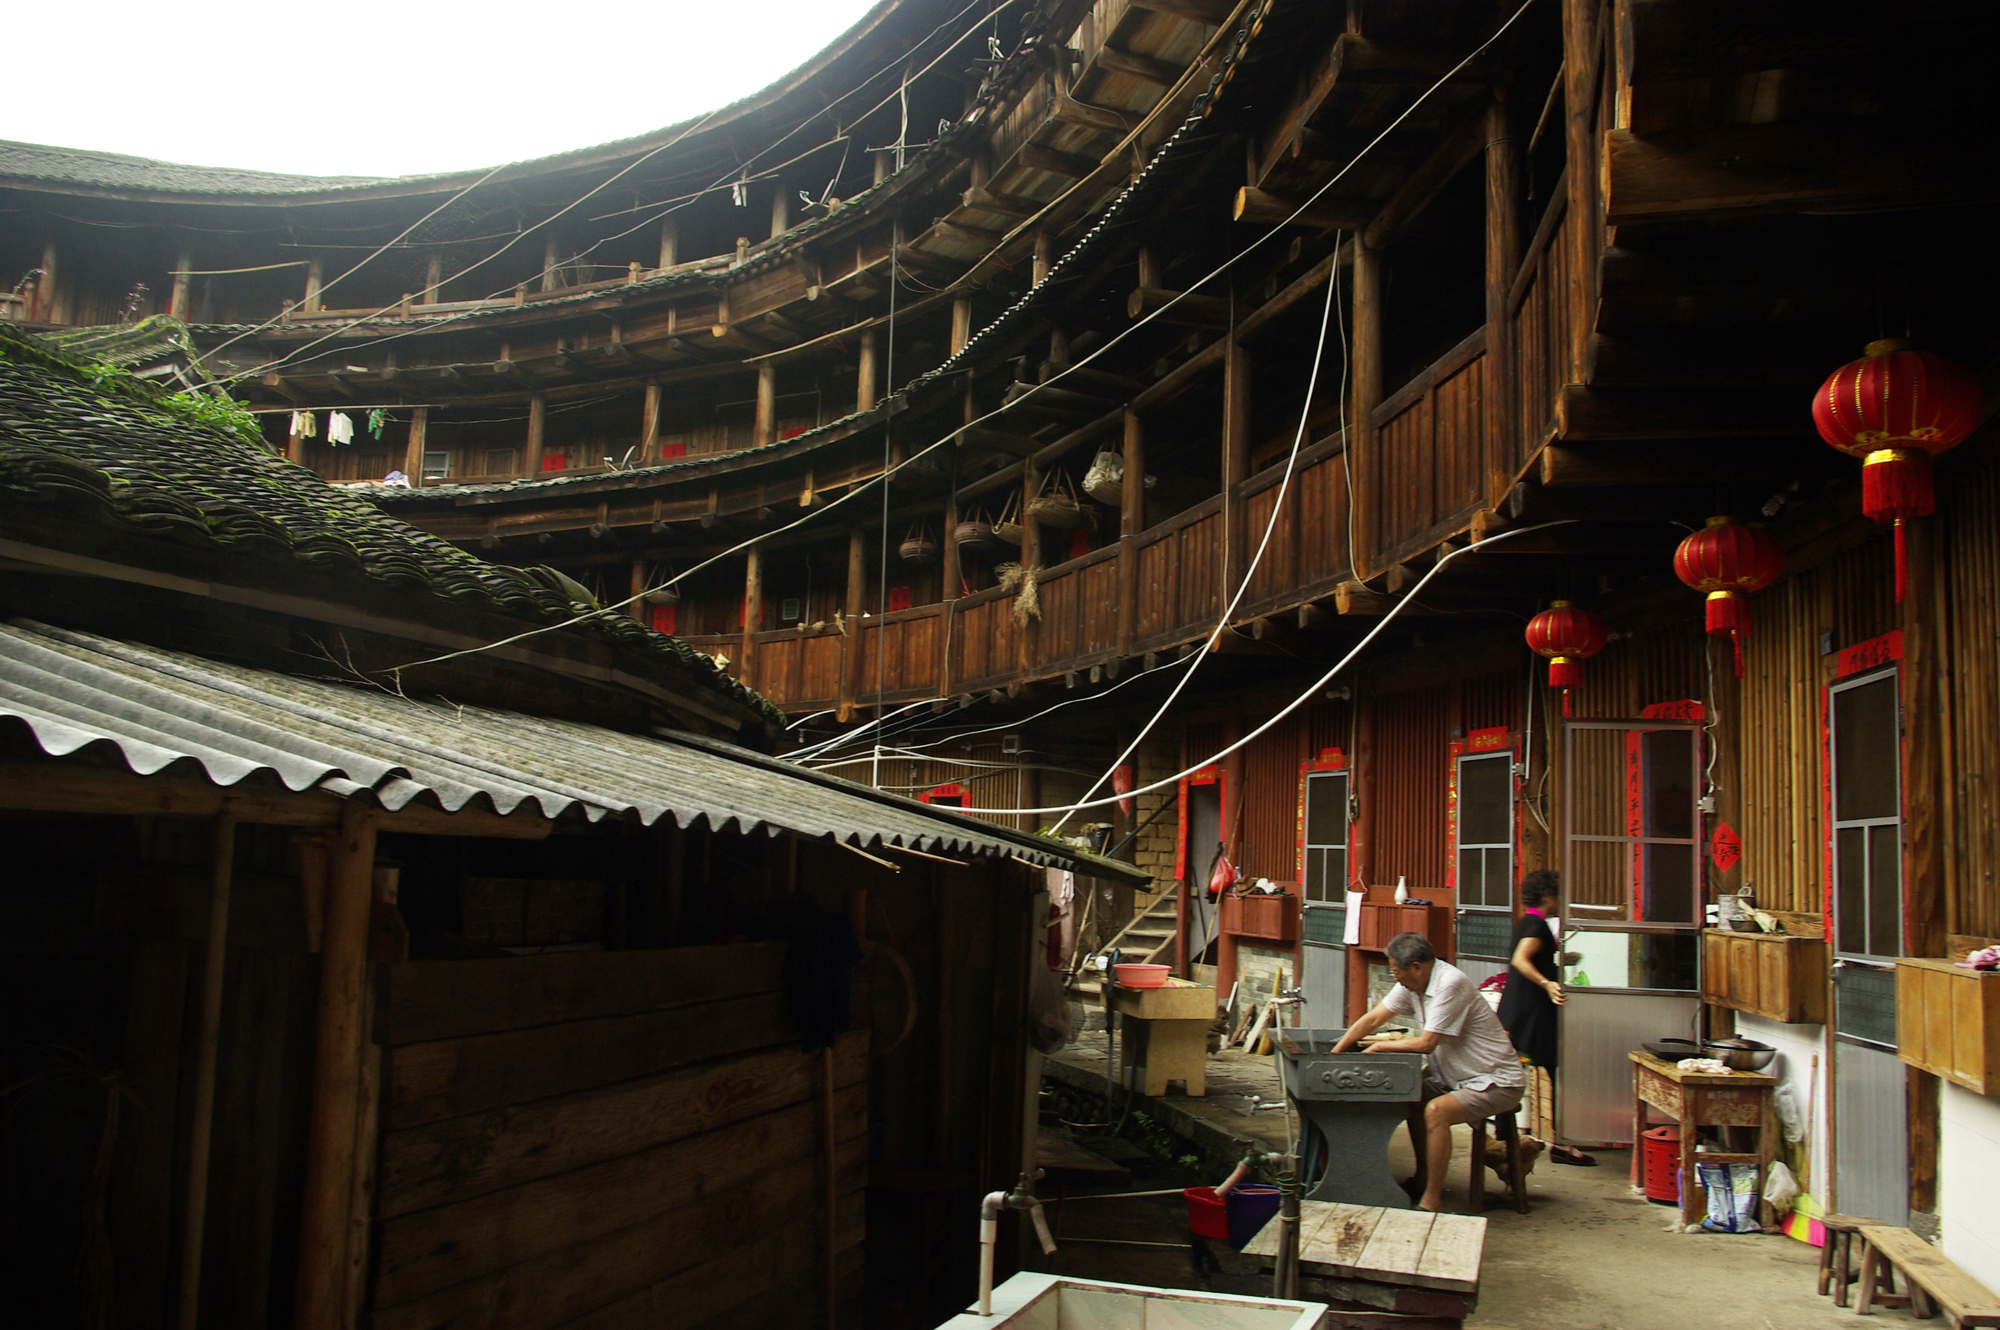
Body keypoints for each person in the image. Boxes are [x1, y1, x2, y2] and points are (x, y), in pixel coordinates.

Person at [1333, 932, 1524, 1212]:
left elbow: (1427, 1043)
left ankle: (1432, 1199)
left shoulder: (1450, 983)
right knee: (1412, 1095)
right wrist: (1336, 1053)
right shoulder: (1413, 984)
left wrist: (1380, 1048)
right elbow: (1374, 1018)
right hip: (1455, 1077)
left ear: (1417, 968)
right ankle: (1423, 1176)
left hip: (1496, 1080)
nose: (1395, 977)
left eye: (1395, 971)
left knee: (1437, 1111)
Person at [1497, 871, 1594, 1166]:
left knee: (1510, 1074)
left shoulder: (1528, 922)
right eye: (1559, 894)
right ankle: (1561, 1145)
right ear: (1548, 896)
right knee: (1557, 1073)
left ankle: (1505, 1141)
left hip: (1517, 1013)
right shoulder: (1537, 925)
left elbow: (1532, 958)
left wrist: (1563, 960)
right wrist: (1547, 983)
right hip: (1531, 1016)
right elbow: (1521, 959)